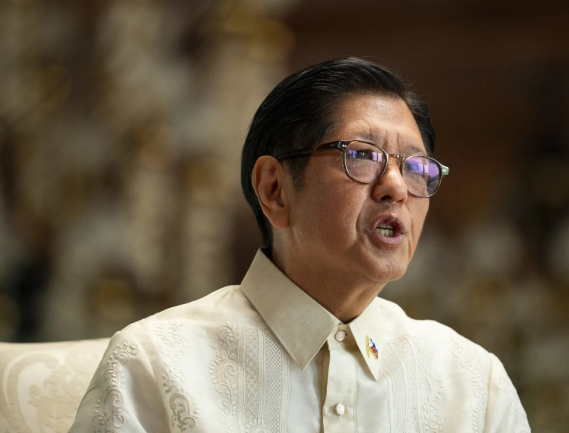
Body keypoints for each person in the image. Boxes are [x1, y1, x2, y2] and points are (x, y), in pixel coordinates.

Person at [69, 57, 530, 432]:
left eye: (416, 167)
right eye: (362, 155)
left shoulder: (474, 385)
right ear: (274, 190)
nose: (395, 187)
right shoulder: (155, 365)